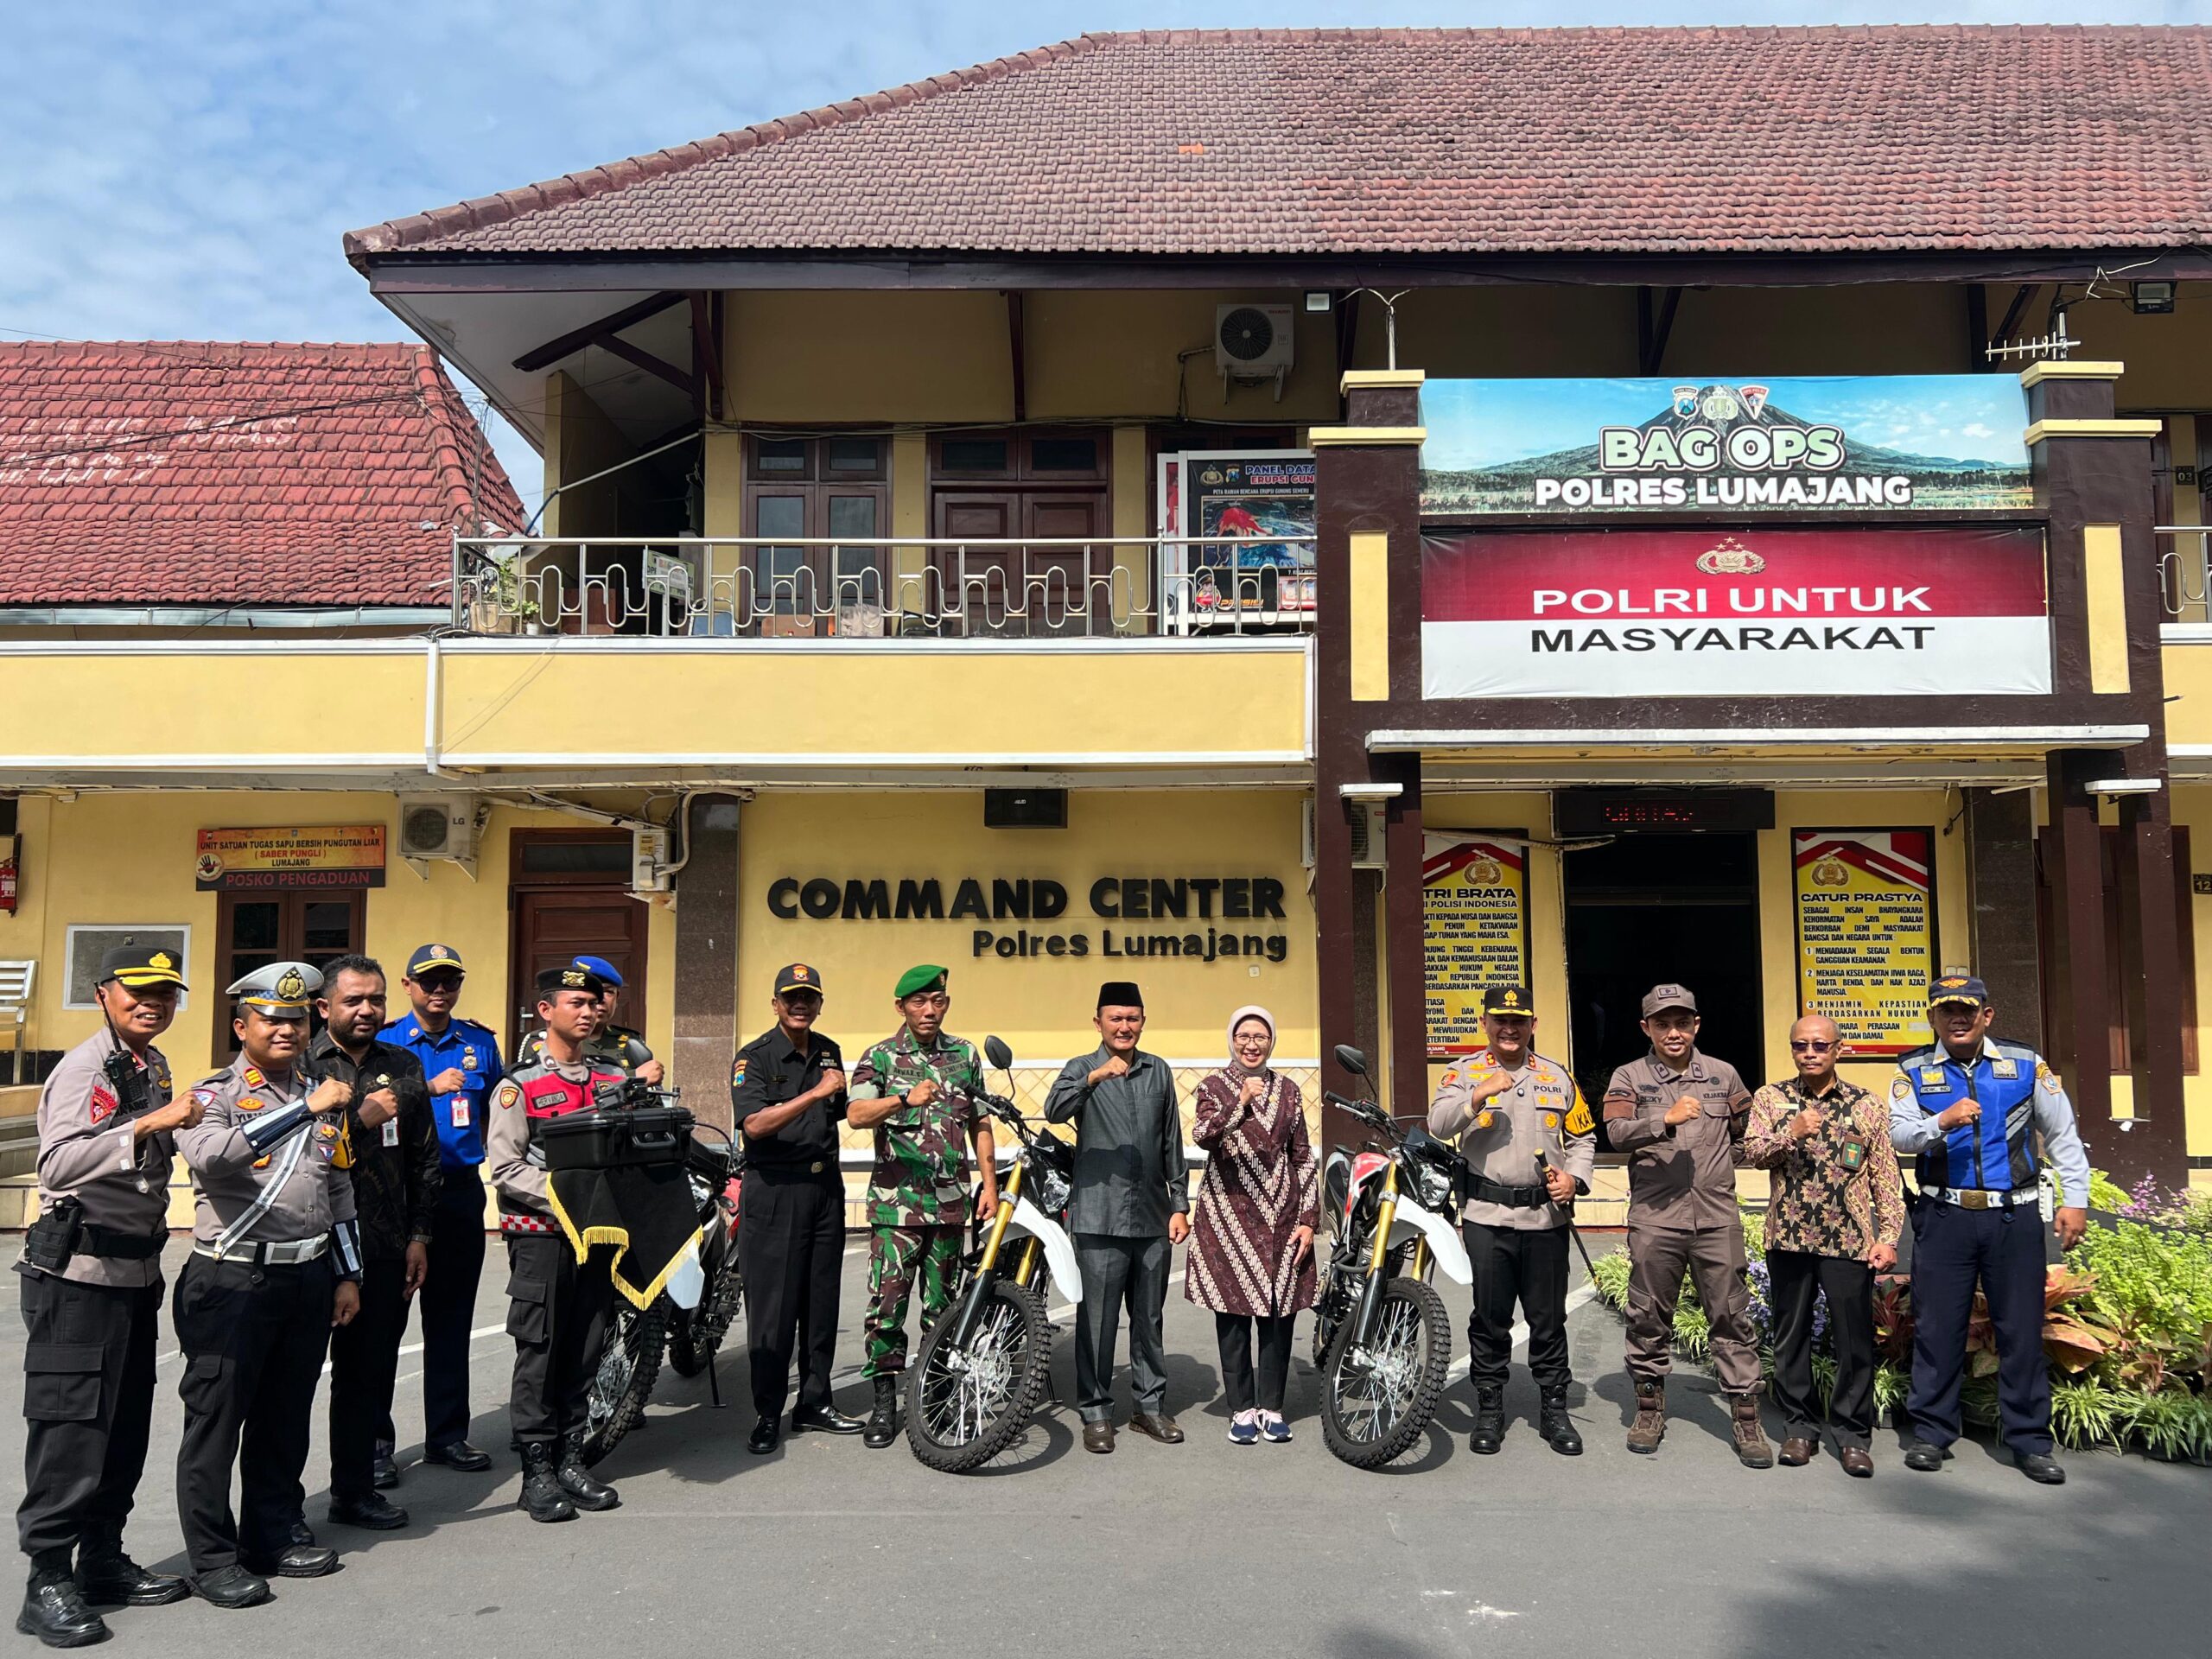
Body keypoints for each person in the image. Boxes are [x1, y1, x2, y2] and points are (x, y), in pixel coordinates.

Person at [15, 944, 196, 1648]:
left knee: (121, 1427)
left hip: (133, 1275)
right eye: (138, 990)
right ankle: (48, 1580)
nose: (153, 1002)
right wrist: (149, 1124)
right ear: (104, 993)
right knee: (72, 1429)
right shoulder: (86, 1067)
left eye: (166, 992)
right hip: (79, 1279)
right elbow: (56, 1161)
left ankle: (102, 1561)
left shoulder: (148, 1063)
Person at [173, 963, 361, 1608]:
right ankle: (212, 1557)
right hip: (232, 1276)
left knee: (285, 1417)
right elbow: (212, 1155)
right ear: (241, 1025)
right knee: (216, 1424)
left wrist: (348, 1273)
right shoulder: (214, 1092)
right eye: (272, 1019)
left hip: (306, 1275)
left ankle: (271, 1533)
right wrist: (306, 1109)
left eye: (296, 1019)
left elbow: (336, 1187)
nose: (286, 1029)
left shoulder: (321, 1088)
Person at [1890, 975, 2089, 1486]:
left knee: (2020, 1329)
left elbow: (2062, 1133)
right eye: (1947, 1011)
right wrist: (1943, 1122)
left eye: (1968, 1010)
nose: (1958, 1018)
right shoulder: (1912, 1069)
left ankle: (2031, 1442)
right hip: (1944, 1217)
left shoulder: (2026, 1065)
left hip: (2013, 1216)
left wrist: (2076, 1200)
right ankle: (1932, 1435)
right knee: (1937, 1328)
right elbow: (1899, 1132)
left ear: (1988, 1015)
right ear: (1932, 1018)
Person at [1601, 982, 1771, 1467]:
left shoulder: (1724, 1075)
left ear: (1696, 1025)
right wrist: (1664, 1120)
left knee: (1732, 1314)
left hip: (1717, 1217)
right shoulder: (1629, 1077)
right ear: (1646, 1028)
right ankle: (1650, 1408)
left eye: (1681, 1022)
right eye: (1662, 1023)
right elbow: (1613, 1132)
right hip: (1657, 1219)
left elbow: (1748, 1132)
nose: (1673, 1032)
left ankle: (1745, 1417)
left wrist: (1723, 1163)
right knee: (1648, 1315)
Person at [1427, 985, 1595, 1457]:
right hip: (1487, 1217)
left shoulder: (1558, 1077)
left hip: (1545, 1218)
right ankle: (1489, 1408)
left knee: (1547, 1319)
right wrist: (1477, 1096)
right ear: (1485, 1023)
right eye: (1500, 1019)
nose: (1509, 1028)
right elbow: (1437, 1126)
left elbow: (1583, 1139)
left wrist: (1574, 1179)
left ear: (1532, 1026)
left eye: (1518, 1020)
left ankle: (1554, 1410)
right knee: (1490, 1318)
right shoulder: (1463, 1073)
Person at [485, 963, 627, 1522]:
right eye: (576, 1002)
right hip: (543, 1239)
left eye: (595, 1003)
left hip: (598, 1242)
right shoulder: (517, 1087)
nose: (589, 1011)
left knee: (586, 1348)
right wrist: (567, 1197)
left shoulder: (613, 1081)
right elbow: (505, 1167)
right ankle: (536, 1471)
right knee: (540, 1354)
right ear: (546, 1010)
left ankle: (572, 1457)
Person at [1743, 1014, 1904, 1478]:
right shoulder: (1772, 1098)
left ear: (1839, 1049)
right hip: (1789, 1237)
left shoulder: (1867, 1104)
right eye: (1800, 1046)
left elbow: (1885, 1177)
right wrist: (1789, 1132)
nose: (1809, 1053)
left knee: (1853, 1339)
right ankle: (1800, 1426)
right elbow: (1752, 1153)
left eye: (1819, 1045)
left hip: (1850, 1239)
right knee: (1790, 1335)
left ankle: (1853, 1434)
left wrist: (1888, 1237)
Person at [310, 956, 438, 1529]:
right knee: (287, 1384)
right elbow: (290, 1152)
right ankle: (278, 1509)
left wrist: (419, 1236)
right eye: (354, 1000)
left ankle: (354, 1491)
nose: (367, 1010)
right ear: (325, 1007)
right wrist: (360, 1119)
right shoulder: (301, 1064)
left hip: (383, 1246)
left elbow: (423, 1159)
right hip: (312, 1247)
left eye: (376, 1000)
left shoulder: (403, 1064)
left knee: (367, 1378)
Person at [846, 965, 996, 1450]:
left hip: (951, 1205)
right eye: (918, 1002)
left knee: (944, 1308)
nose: (929, 1010)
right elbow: (855, 1114)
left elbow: (980, 1122)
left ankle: (932, 1396)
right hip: (896, 1208)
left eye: (937, 1000)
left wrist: (989, 1185)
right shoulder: (881, 1057)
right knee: (887, 1308)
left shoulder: (964, 1055)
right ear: (901, 1008)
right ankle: (885, 1404)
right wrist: (901, 1099)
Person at [1046, 981, 1190, 1454]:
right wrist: (1093, 1080)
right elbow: (1053, 1110)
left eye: (1132, 1018)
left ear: (1143, 1021)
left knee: (1148, 1318)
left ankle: (1149, 1409)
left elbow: (1172, 1142)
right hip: (1098, 1216)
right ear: (1098, 1023)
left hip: (1151, 1217)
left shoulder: (1158, 1071)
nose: (1124, 1026)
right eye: (1115, 1018)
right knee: (1098, 1320)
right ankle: (1096, 1412)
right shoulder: (1081, 1068)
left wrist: (1179, 1204)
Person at [378, 942, 501, 1476]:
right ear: (407, 986)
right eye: (428, 981)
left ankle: (447, 1437)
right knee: (382, 1324)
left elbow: (499, 1110)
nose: (439, 990)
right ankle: (374, 1447)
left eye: (449, 980)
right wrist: (426, 1088)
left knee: (450, 1322)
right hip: (394, 1193)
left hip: (457, 1191)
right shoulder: (383, 1043)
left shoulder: (479, 1043)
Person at [731, 963, 863, 1454]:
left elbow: (845, 1108)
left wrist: (894, 1102)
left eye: (809, 997)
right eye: (791, 997)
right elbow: (755, 1126)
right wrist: (814, 1093)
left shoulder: (829, 1051)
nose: (800, 1004)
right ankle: (768, 1413)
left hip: (823, 1189)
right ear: (776, 1004)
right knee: (773, 1310)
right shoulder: (755, 1058)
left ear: (820, 1003)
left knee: (820, 1302)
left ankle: (814, 1402)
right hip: (774, 1190)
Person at [1185, 1006, 1316, 1446]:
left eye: (1261, 1036)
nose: (1252, 1044)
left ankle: (1272, 1407)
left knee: (1279, 1316)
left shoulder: (1291, 1091)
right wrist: (1239, 1103)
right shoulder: (1212, 1087)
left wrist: (1309, 1220)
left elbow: (1302, 1157)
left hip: (1281, 1218)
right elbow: (1203, 1135)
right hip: (1226, 1217)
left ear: (1271, 1042)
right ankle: (1241, 1409)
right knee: (1234, 1316)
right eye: (1244, 1035)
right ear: (1232, 1039)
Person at [514, 956, 663, 1084]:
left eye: (608, 992)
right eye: (590, 995)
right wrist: (632, 1078)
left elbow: (651, 1101)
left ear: (617, 998)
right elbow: (552, 1087)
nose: (601, 1000)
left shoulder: (630, 1040)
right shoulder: (543, 1041)